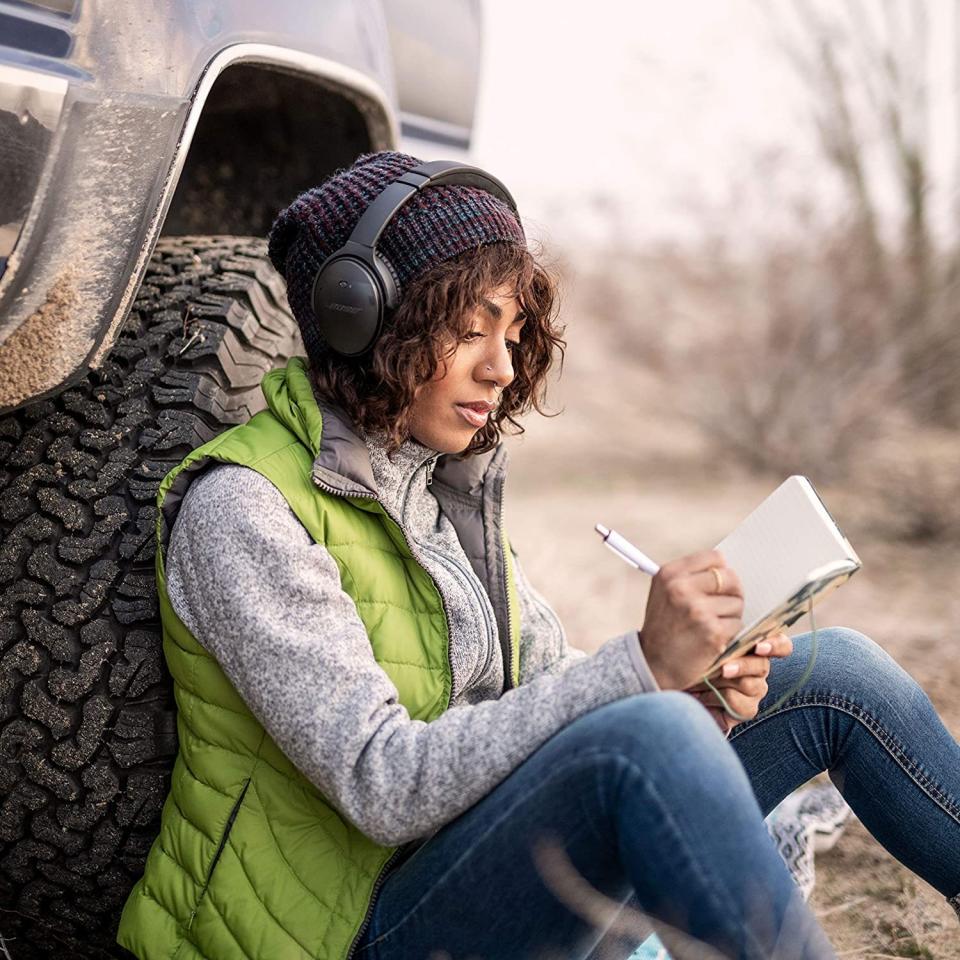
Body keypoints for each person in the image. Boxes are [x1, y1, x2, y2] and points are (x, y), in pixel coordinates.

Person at [116, 151, 960, 960]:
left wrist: (694, 685)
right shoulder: (246, 511)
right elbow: (383, 783)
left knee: (831, 676)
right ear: (361, 317)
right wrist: (641, 671)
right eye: (469, 330)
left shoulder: (435, 487)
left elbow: (550, 682)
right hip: (357, 930)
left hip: (494, 865)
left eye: (514, 331)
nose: (502, 366)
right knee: (648, 736)